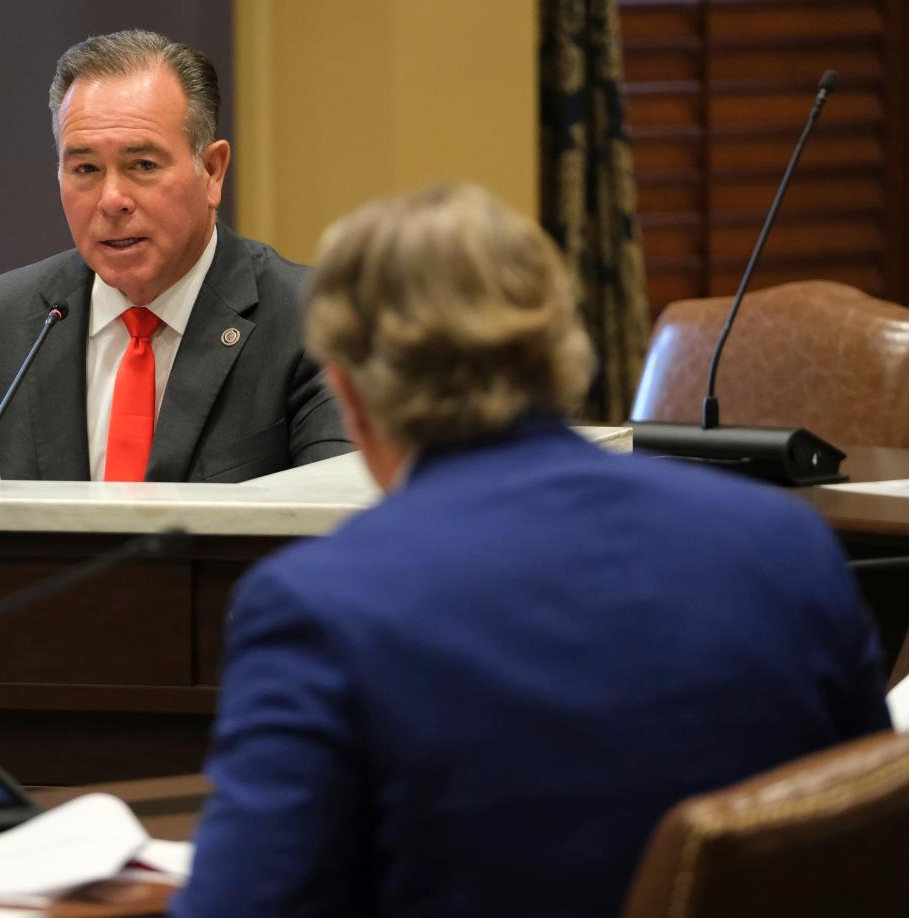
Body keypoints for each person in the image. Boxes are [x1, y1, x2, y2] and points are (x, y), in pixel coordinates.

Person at [171, 185, 891, 917]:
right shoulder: (786, 544)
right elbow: (869, 838)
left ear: (350, 394)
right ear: (561, 351)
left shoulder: (317, 609)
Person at [0, 30, 349, 481]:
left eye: (143, 166)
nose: (112, 199)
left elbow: (340, 523)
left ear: (212, 171)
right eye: (85, 169)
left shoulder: (317, 321)